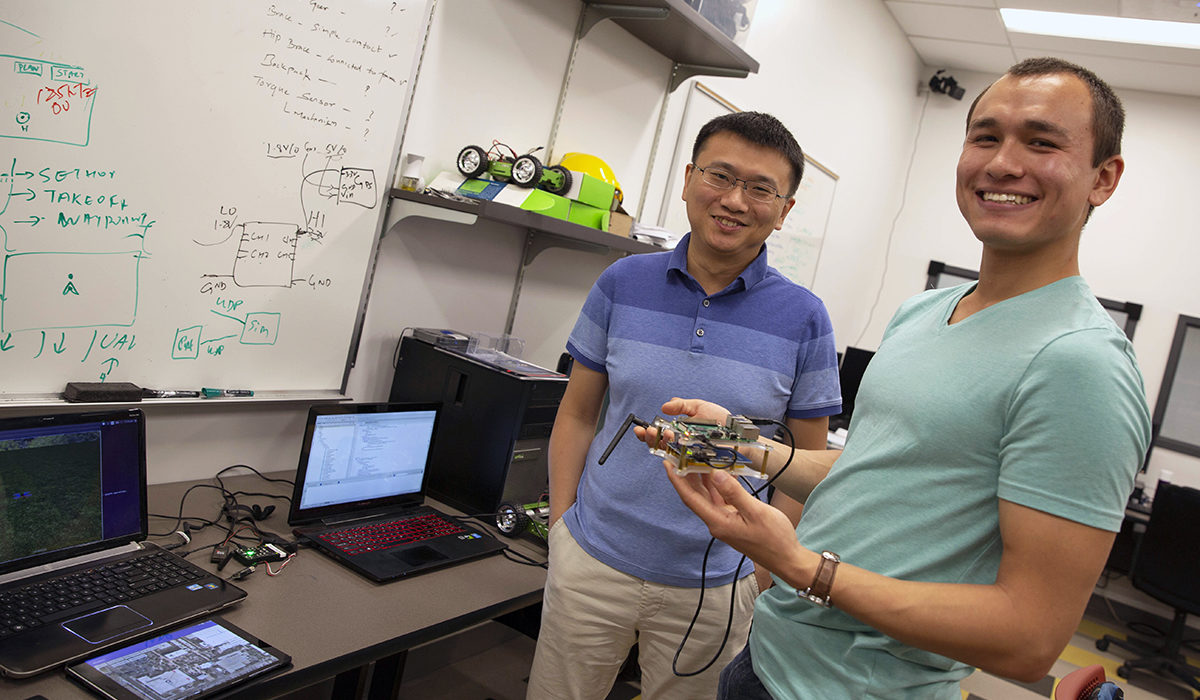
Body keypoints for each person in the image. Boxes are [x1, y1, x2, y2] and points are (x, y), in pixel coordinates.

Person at [644, 57, 1152, 698]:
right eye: (986, 137)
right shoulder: (925, 311)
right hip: (766, 662)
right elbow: (879, 471)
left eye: (1042, 142)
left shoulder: (1083, 362)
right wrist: (738, 442)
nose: (1002, 162)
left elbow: (1029, 639)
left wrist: (801, 565)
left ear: (1103, 179)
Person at [526, 112, 842, 699]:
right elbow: (576, 414)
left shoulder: (806, 319)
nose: (734, 200)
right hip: (593, 559)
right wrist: (563, 524)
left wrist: (764, 569)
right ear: (689, 177)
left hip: (717, 583)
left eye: (760, 188)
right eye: (720, 176)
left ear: (785, 208)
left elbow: (805, 460)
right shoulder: (622, 282)